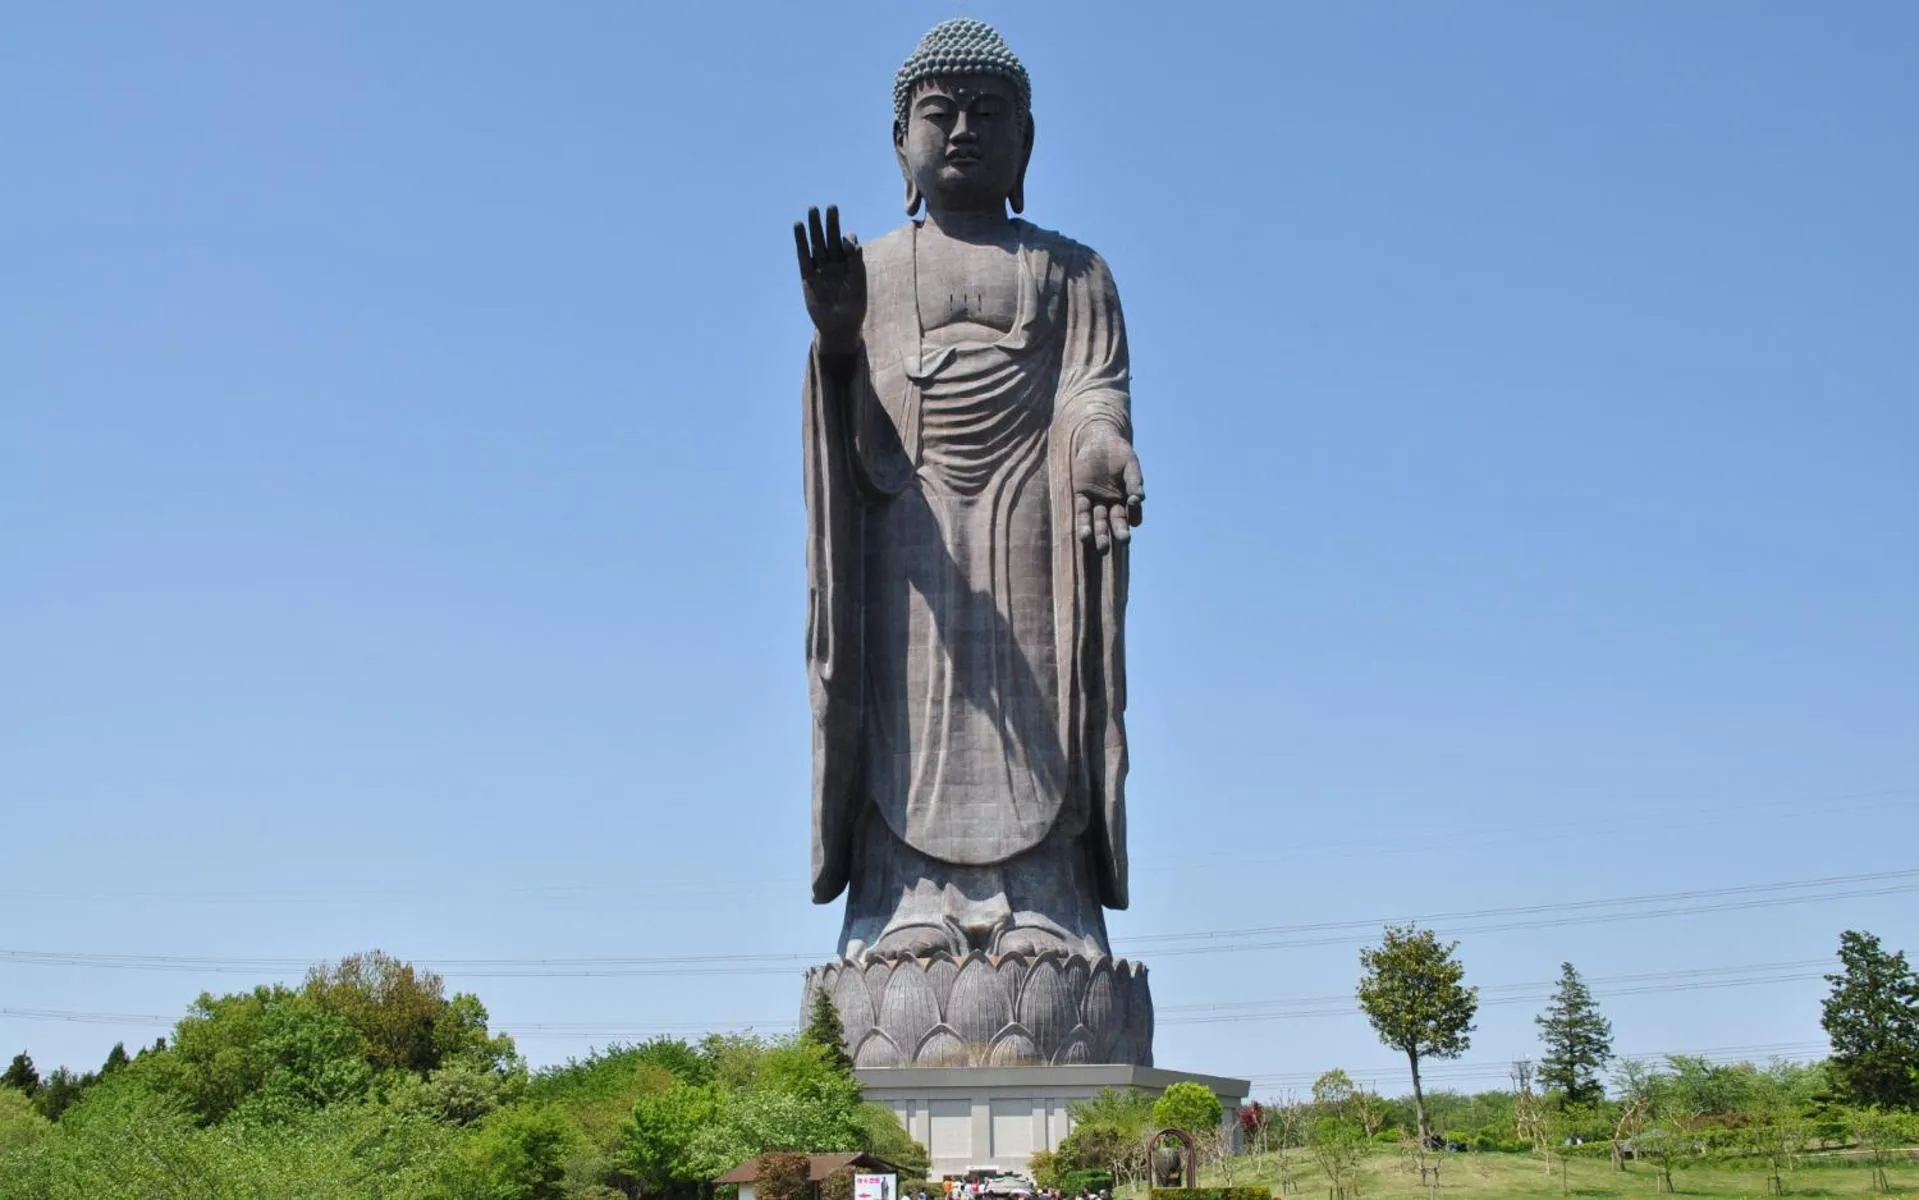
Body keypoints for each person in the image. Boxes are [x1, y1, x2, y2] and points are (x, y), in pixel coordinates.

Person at [796, 17, 1146, 964]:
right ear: (899, 141)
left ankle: (1046, 900)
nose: (962, 130)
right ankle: (902, 899)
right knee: (901, 698)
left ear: (1026, 140)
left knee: (1048, 685)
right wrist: (835, 344)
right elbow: (854, 434)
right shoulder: (867, 269)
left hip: (1032, 525)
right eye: (938, 112)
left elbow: (1090, 388)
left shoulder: (1077, 273)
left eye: (989, 113)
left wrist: (1100, 443)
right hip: (906, 532)